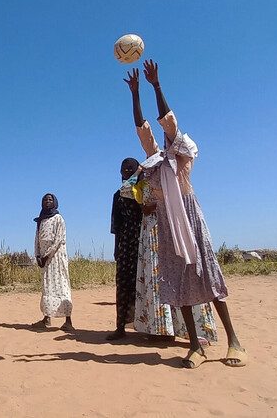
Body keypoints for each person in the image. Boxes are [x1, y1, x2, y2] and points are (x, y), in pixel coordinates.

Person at [125, 60, 247, 368]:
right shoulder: (154, 161)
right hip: (167, 223)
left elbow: (167, 121)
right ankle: (195, 346)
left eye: (168, 136)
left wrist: (156, 85)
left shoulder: (181, 156)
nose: (164, 138)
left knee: (206, 275)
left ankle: (234, 341)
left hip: (190, 217)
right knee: (178, 281)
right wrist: (135, 93)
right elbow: (142, 128)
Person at [133, 168, 219, 344]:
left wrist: (155, 205)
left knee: (176, 277)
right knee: (155, 279)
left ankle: (193, 331)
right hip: (149, 235)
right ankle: (162, 330)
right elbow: (127, 189)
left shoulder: (170, 177)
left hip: (167, 229)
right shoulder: (142, 182)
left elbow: (172, 200)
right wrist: (139, 174)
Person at [106, 158, 143, 341]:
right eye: (124, 168)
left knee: (145, 283)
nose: (127, 170)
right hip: (126, 243)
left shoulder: (146, 191)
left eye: (131, 168)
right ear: (120, 172)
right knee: (124, 284)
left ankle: (150, 328)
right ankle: (120, 327)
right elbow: (116, 225)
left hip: (145, 241)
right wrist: (116, 248)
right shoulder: (118, 195)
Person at [32, 193, 73, 331]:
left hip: (57, 258)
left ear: (55, 202)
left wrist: (47, 255)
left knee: (61, 285)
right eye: (44, 199)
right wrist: (38, 256)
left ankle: (68, 321)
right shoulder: (40, 221)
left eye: (50, 199)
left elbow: (58, 240)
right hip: (44, 260)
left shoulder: (58, 219)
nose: (47, 201)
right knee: (47, 287)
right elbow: (37, 239)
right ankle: (46, 318)